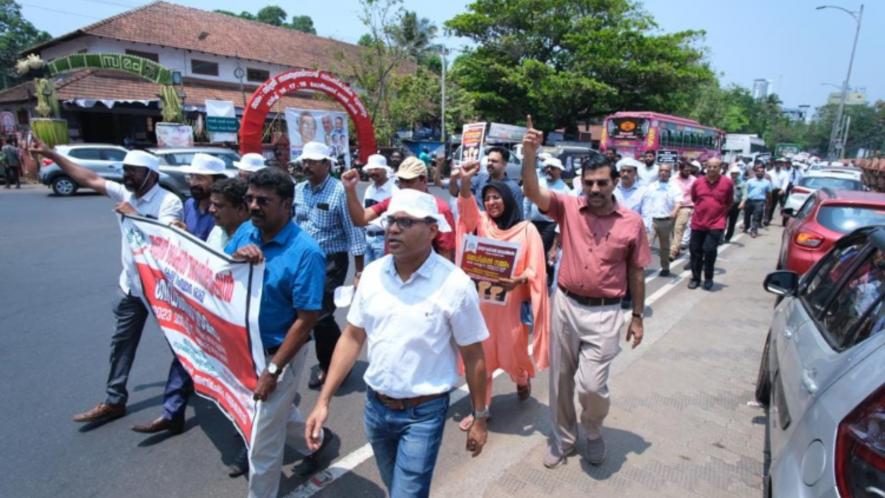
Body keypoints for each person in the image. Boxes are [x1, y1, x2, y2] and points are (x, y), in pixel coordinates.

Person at [305, 188, 489, 497]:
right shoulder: (373, 275)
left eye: (405, 222)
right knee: (396, 488)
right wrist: (323, 401)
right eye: (391, 221)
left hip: (423, 415)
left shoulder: (456, 285)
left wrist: (480, 417)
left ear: (432, 230)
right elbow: (352, 336)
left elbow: (474, 356)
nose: (392, 228)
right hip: (376, 410)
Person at [520, 117, 650, 469]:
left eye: (602, 183)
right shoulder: (566, 208)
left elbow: (637, 271)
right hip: (565, 304)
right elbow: (533, 192)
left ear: (613, 183)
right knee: (560, 381)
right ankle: (563, 439)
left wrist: (637, 316)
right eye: (589, 183)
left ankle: (592, 431)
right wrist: (529, 155)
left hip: (606, 312)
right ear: (581, 184)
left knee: (592, 386)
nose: (595, 189)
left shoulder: (631, 223)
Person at [30, 137, 183, 423]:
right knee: (121, 344)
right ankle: (114, 400)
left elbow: (171, 241)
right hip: (131, 288)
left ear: (150, 174)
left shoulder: (169, 201)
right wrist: (52, 154)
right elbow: (89, 178)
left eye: (133, 171)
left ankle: (188, 395)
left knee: (181, 346)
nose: (126, 176)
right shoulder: (126, 194)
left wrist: (137, 217)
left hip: (162, 291)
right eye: (125, 170)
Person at [227, 168, 334, 498]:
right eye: (250, 199)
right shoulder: (246, 231)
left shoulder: (307, 253)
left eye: (263, 201)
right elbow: (220, 268)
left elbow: (305, 320)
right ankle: (314, 439)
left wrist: (273, 371)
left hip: (279, 353)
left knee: (262, 440)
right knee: (277, 415)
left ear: (287, 205)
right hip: (244, 347)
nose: (254, 206)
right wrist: (235, 256)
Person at [129, 153, 227, 435]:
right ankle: (175, 408)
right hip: (188, 290)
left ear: (215, 181)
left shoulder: (226, 210)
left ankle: (178, 410)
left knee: (200, 351)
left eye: (200, 178)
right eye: (192, 177)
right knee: (184, 347)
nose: (193, 182)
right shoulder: (188, 205)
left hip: (215, 296)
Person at [455, 159, 550, 430]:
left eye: (497, 197)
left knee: (514, 354)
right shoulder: (482, 223)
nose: (491, 202)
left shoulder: (527, 230)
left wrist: (518, 279)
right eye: (487, 197)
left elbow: (536, 269)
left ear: (508, 198)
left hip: (510, 311)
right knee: (480, 359)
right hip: (481, 308)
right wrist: (464, 183)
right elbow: (466, 210)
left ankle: (522, 378)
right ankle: (480, 410)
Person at [292, 141, 366, 390]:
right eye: (305, 161)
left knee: (322, 315)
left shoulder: (338, 193)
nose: (307, 165)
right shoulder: (299, 190)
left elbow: (355, 231)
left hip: (331, 261)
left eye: (313, 161)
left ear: (326, 164)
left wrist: (359, 271)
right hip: (301, 260)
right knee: (300, 310)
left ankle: (333, 365)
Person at [343, 157, 456, 261]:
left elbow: (445, 252)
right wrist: (350, 189)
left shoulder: (440, 208)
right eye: (401, 180)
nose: (404, 185)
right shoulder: (393, 202)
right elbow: (361, 219)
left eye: (409, 180)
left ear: (424, 180)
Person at [525, 156, 571, 287]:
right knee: (530, 249)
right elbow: (528, 200)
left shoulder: (564, 189)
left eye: (553, 168)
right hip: (533, 222)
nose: (549, 170)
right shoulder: (539, 183)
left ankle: (546, 275)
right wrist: (526, 218)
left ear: (559, 171)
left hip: (551, 225)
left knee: (542, 249)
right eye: (548, 168)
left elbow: (564, 213)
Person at [688, 158, 733, 290]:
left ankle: (708, 278)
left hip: (716, 223)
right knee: (695, 251)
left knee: (709, 250)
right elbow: (694, 198)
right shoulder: (698, 182)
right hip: (698, 223)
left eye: (715, 167)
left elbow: (729, 202)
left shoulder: (727, 183)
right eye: (710, 166)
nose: (712, 169)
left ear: (720, 168)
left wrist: (720, 214)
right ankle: (695, 278)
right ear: (705, 167)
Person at [448, 146, 523, 210]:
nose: (490, 163)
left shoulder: (513, 188)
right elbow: (455, 193)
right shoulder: (480, 179)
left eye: (494, 161)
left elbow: (518, 218)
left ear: (504, 164)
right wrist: (453, 178)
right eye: (488, 160)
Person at [642, 163, 683, 277]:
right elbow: (645, 201)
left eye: (666, 171)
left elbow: (679, 201)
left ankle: (665, 267)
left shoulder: (674, 187)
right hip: (651, 220)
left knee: (664, 247)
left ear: (670, 173)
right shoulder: (652, 186)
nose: (663, 173)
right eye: (661, 171)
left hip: (666, 221)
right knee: (646, 245)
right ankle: (641, 267)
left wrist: (674, 211)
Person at [362, 154, 398, 264]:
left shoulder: (393, 191)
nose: (373, 172)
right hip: (367, 238)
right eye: (370, 169)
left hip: (383, 240)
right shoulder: (369, 189)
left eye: (376, 169)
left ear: (385, 170)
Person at [206, 178, 250, 252]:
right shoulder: (217, 230)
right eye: (211, 204)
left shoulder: (252, 240)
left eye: (218, 206)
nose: (211, 209)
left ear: (240, 208)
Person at [669, 159, 696, 260]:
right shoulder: (673, 179)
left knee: (678, 229)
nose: (687, 172)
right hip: (674, 207)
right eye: (685, 170)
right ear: (680, 170)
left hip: (686, 207)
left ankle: (673, 251)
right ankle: (677, 247)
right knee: (673, 230)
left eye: (689, 170)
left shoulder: (693, 180)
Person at [739, 164, 772, 238]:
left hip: (760, 202)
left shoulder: (767, 182)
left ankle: (754, 231)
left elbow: (769, 193)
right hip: (749, 200)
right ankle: (746, 227)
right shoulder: (750, 181)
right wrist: (743, 201)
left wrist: (769, 202)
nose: (760, 173)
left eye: (762, 171)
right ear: (755, 172)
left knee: (756, 217)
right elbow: (745, 191)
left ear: (764, 173)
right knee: (746, 216)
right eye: (758, 171)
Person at [724, 166, 745, 242]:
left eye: (736, 174)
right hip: (726, 204)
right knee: (723, 221)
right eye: (733, 173)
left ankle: (727, 238)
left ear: (738, 174)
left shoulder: (742, 183)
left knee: (732, 223)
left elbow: (745, 195)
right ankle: (720, 237)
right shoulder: (726, 182)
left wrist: (742, 203)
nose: (734, 175)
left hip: (736, 205)